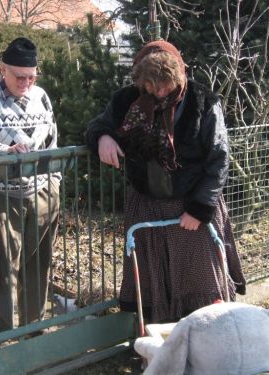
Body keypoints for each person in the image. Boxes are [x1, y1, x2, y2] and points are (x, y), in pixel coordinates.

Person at [86, 40, 246, 323]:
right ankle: (160, 347)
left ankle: (207, 343)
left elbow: (219, 158)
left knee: (202, 283)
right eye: (151, 85)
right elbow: (98, 125)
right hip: (146, 206)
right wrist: (103, 137)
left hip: (192, 206)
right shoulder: (127, 100)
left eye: (164, 84)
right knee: (153, 280)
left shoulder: (203, 102)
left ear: (179, 75)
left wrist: (199, 209)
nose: (158, 91)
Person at [0, 37, 60, 334]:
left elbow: (52, 141)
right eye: (19, 76)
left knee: (38, 265)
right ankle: (1, 335)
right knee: (2, 267)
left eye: (32, 76)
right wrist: (6, 153)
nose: (26, 82)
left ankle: (33, 329)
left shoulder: (42, 96)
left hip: (44, 193)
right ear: (2, 69)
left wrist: (54, 182)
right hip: (1, 195)